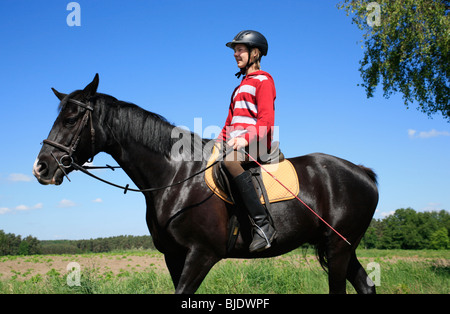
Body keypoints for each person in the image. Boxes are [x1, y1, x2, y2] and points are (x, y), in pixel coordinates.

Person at [217, 30, 277, 253]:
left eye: (240, 49)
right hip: (236, 143)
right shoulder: (238, 87)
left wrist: (244, 139)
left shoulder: (264, 80)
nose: (235, 54)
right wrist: (216, 143)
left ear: (255, 53)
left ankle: (263, 226)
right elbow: (229, 123)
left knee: (230, 162)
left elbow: (266, 121)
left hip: (257, 143)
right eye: (234, 50)